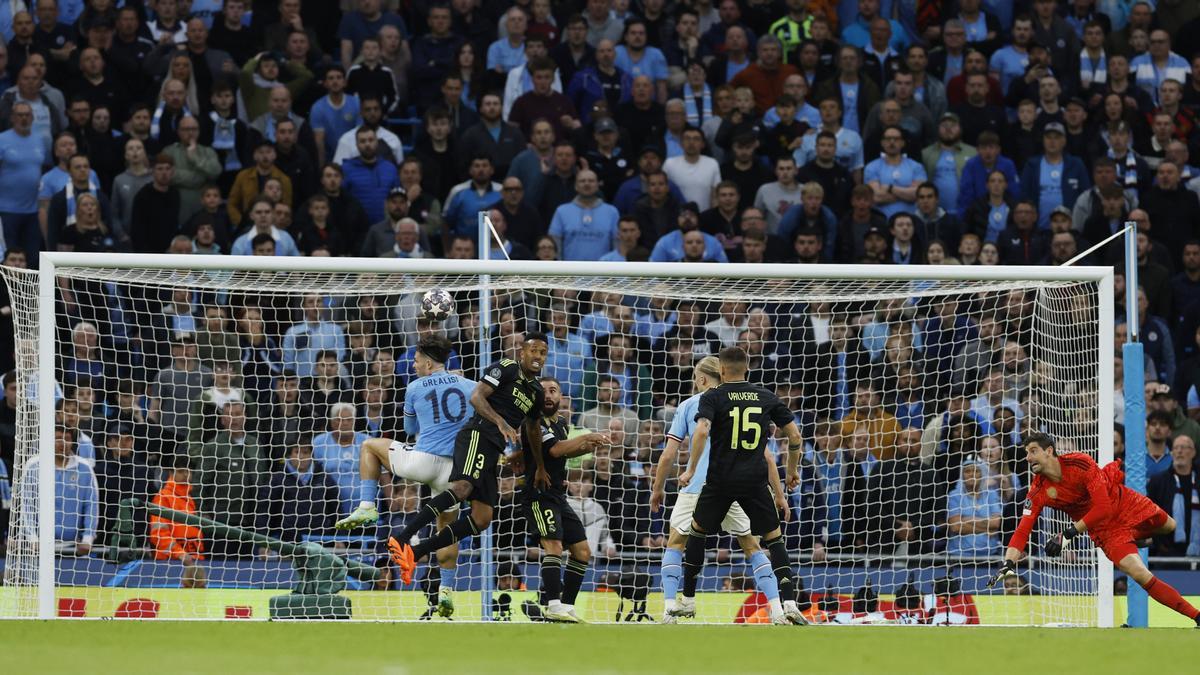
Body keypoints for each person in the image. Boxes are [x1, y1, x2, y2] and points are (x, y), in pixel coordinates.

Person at [988, 432, 1200, 627]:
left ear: (1049, 451)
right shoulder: (1037, 492)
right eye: (1026, 453)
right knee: (1138, 573)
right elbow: (1022, 531)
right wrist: (1008, 563)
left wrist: (1067, 534)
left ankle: (1136, 537)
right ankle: (1196, 616)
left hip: (1122, 503)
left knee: (1170, 526)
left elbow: (1103, 507)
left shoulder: (1080, 462)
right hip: (1104, 531)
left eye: (1033, 451)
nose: (1028, 457)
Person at [389, 333, 550, 587]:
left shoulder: (536, 392)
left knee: (482, 519)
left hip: (494, 448)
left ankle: (417, 552)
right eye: (533, 351)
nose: (538, 356)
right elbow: (476, 397)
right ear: (522, 352)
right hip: (477, 433)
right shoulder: (506, 368)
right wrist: (500, 421)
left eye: (542, 352)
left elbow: (532, 429)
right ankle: (403, 537)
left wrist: (538, 465)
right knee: (461, 488)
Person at [650, 356, 803, 625]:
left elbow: (668, 455)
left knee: (677, 541)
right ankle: (778, 608)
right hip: (746, 484)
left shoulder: (690, 405)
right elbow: (767, 457)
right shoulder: (747, 400)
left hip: (702, 485)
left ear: (700, 378)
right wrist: (779, 493)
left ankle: (671, 608)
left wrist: (658, 488)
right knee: (754, 546)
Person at [519, 376, 610, 622]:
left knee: (582, 551)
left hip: (558, 495)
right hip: (538, 494)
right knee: (554, 547)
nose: (548, 395)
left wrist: (591, 445)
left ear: (561, 396)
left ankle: (567, 607)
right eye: (544, 391)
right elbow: (555, 450)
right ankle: (554, 604)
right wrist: (588, 436)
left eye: (553, 391)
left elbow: (566, 453)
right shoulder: (534, 422)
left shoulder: (560, 422)